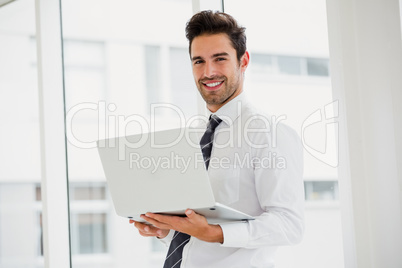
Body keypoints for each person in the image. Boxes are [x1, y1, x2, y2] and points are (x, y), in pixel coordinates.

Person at [129, 10, 304, 268]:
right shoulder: (194, 134)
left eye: (219, 59)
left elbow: (289, 224)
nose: (208, 72)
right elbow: (196, 230)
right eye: (198, 61)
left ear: (243, 61)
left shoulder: (269, 133)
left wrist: (214, 233)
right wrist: (165, 229)